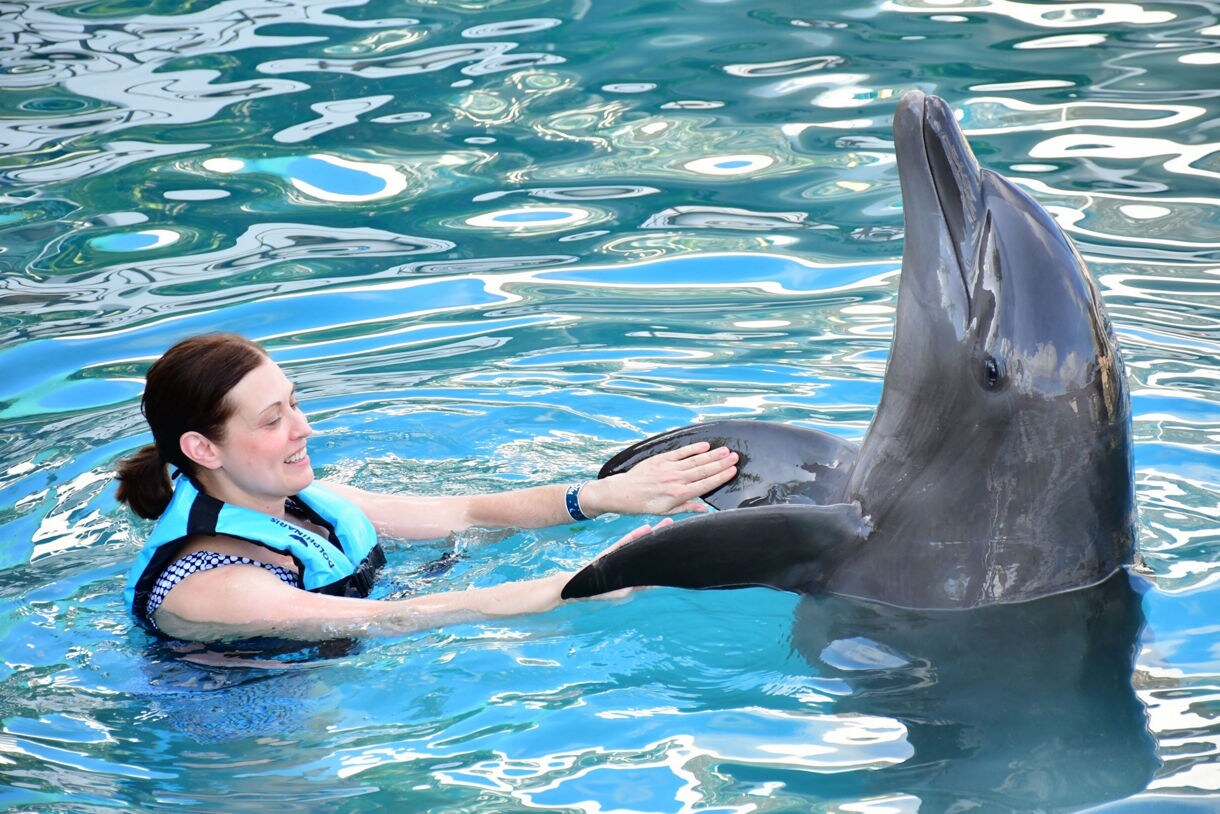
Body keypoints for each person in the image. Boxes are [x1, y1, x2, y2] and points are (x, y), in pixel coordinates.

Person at [116, 333, 738, 642]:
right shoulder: (210, 584)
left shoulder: (305, 503)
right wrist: (579, 584)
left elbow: (467, 511)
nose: (303, 429)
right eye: (272, 420)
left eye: (295, 405)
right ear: (202, 449)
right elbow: (396, 618)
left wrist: (604, 496)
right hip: (248, 745)